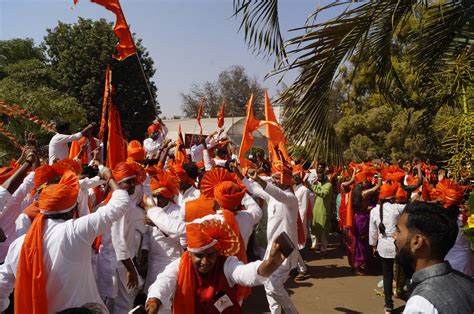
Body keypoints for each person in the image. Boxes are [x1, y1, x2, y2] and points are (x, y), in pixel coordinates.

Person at [0, 167, 130, 313]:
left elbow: (2, 284)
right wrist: (109, 177)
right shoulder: (76, 232)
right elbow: (120, 203)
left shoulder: (18, 245)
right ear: (72, 210)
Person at [145, 216, 287, 314]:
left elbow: (244, 273)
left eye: (210, 255)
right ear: (190, 254)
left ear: (217, 253)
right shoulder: (180, 265)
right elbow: (164, 281)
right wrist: (154, 300)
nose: (205, 262)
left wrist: (268, 265)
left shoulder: (226, 263)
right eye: (199, 256)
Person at [393, 202, 474, 313]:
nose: (394, 236)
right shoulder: (468, 282)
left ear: (417, 242)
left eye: (398, 230)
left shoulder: (420, 303)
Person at [241, 163, 299, 314]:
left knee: (273, 285)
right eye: (272, 176)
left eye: (276, 177)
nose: (272, 179)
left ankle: (292, 311)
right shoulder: (272, 197)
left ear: (284, 180)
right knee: (268, 284)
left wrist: (260, 179)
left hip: (285, 249)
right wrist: (240, 176)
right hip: (271, 249)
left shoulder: (291, 199)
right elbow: (254, 189)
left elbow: (279, 194)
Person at [369, 182, 405, 314]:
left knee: (387, 275)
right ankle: (408, 298)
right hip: (398, 244)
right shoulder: (397, 208)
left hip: (383, 245)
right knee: (404, 272)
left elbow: (372, 231)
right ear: (392, 197)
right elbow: (411, 206)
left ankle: (388, 305)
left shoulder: (374, 211)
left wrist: (373, 245)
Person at [306, 170, 332, 255]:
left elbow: (323, 194)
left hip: (323, 211)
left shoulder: (328, 185)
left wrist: (313, 187)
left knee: (323, 231)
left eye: (320, 177)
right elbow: (314, 188)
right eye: (318, 177)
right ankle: (316, 246)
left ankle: (324, 249)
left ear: (325, 176)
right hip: (316, 210)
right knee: (316, 229)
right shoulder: (319, 183)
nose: (318, 178)